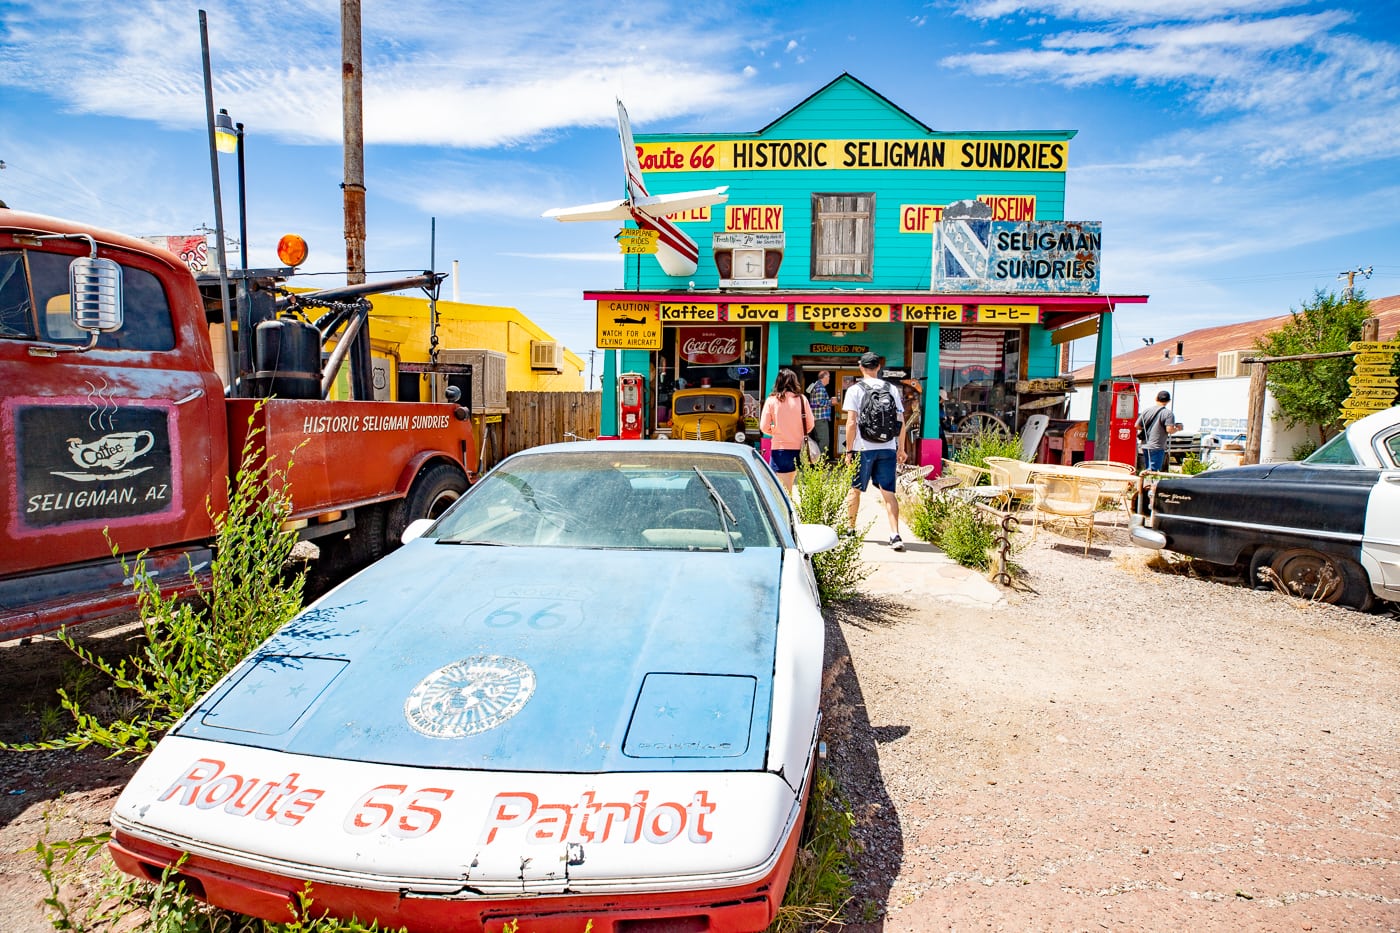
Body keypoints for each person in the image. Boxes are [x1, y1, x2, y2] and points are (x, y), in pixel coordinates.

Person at [843, 352, 908, 550]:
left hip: (863, 448)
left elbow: (851, 422)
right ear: (878, 367)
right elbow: (900, 422)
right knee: (888, 492)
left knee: (855, 489)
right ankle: (895, 534)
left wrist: (848, 451)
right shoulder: (892, 389)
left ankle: (850, 529)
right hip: (888, 447)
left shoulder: (855, 390)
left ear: (861, 367)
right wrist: (901, 448)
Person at [760, 368, 816, 494]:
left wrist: (775, 431)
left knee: (780, 489)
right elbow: (811, 424)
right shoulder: (802, 399)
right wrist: (799, 432)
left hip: (779, 447)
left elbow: (764, 426)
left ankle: (785, 512)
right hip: (799, 448)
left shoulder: (772, 400)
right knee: (788, 485)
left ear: (778, 382)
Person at [1137, 390, 1181, 472]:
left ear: (1156, 398)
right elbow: (1169, 430)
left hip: (1145, 444)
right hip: (1157, 445)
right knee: (1153, 471)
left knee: (1148, 468)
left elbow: (1137, 426)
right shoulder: (1168, 413)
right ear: (1169, 401)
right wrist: (1178, 428)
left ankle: (1145, 483)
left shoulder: (1147, 410)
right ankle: (1150, 484)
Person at [805, 370, 834, 460]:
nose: (829, 379)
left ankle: (816, 461)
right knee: (824, 441)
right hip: (820, 418)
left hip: (817, 418)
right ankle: (820, 463)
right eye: (828, 377)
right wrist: (831, 402)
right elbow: (820, 402)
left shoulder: (816, 386)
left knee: (819, 440)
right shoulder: (820, 388)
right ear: (824, 377)